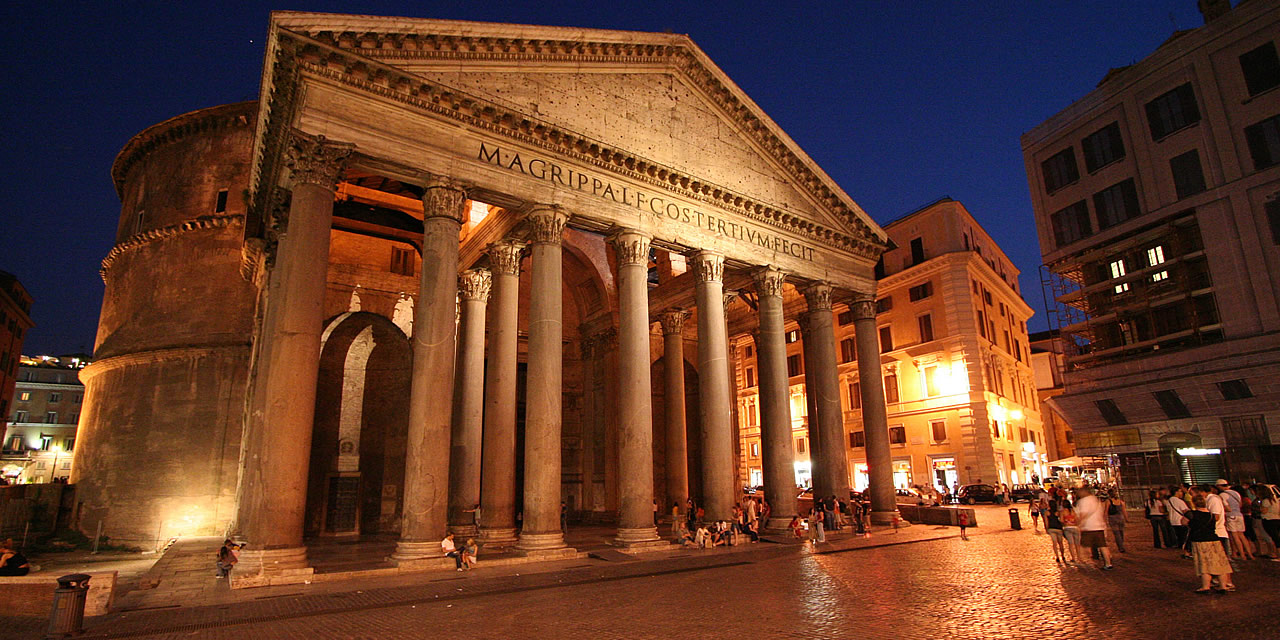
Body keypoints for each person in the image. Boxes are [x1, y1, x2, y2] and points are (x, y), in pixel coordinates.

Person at [1187, 495, 1235, 593]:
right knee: (1220, 563)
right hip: (1214, 540)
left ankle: (1206, 586)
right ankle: (1223, 586)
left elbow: (1183, 522)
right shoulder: (1212, 515)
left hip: (1200, 541)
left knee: (1204, 565)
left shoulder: (1192, 514)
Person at [1076, 487, 1114, 569]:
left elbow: (1083, 514)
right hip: (1099, 526)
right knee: (1102, 546)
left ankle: (1082, 561)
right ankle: (1108, 563)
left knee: (1083, 545)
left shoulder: (1083, 501)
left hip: (1088, 527)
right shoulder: (1095, 500)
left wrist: (1079, 523)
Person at [1216, 480, 1253, 560]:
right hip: (1239, 515)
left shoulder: (1223, 495)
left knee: (1234, 536)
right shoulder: (1236, 493)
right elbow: (1240, 504)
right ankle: (1250, 554)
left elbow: (1228, 508)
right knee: (1242, 535)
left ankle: (1242, 555)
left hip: (1231, 516)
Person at [1255, 483, 1280, 560]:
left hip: (1269, 520)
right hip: (1277, 519)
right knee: (1277, 537)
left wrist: (1259, 508)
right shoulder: (1275, 500)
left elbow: (1264, 511)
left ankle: (1277, 555)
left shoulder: (1265, 501)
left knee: (1275, 538)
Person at [1167, 485, 1192, 556]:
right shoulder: (1179, 501)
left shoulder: (1169, 501)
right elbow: (1185, 511)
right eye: (1180, 491)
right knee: (1184, 538)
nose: (1182, 493)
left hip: (1173, 521)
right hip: (1181, 521)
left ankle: (1181, 549)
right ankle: (1186, 551)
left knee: (1179, 537)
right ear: (1176, 492)